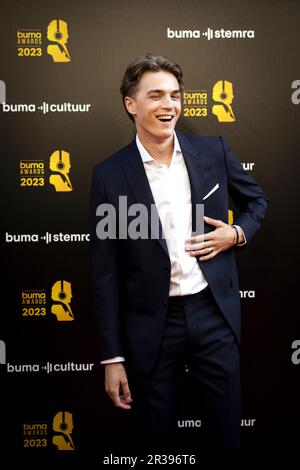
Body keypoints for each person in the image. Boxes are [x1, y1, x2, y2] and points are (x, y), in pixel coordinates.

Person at [90, 53, 268, 451]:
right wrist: (112, 358)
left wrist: (235, 234)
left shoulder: (214, 151)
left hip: (213, 315)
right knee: (154, 442)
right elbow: (105, 273)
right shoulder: (109, 175)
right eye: (155, 96)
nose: (168, 105)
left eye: (174, 95)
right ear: (131, 105)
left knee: (226, 438)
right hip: (151, 325)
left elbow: (257, 203)